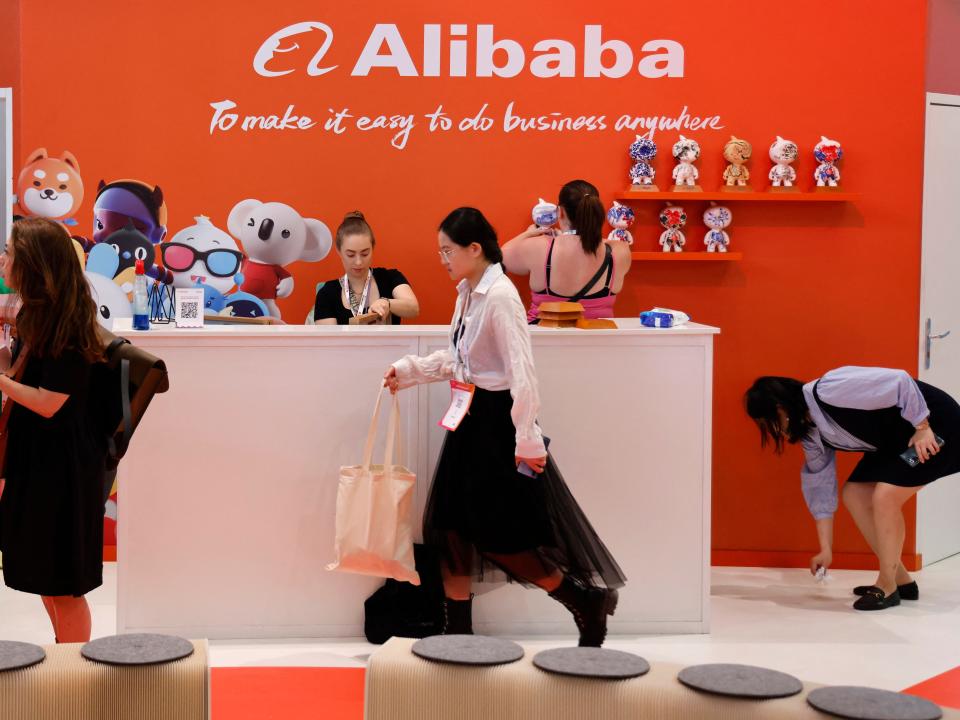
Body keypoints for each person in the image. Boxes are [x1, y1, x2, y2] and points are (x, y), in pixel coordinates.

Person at [383, 207, 625, 646]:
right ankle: (456, 634)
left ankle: (584, 599)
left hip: (497, 426)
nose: (443, 259)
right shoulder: (468, 290)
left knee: (500, 535)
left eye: (448, 250)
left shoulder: (500, 297)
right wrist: (410, 370)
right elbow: (462, 360)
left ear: (475, 249)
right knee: (451, 529)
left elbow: (521, 372)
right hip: (469, 423)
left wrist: (527, 439)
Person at [744, 367, 960, 611]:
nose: (774, 431)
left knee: (885, 496)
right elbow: (820, 484)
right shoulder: (810, 433)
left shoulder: (829, 390)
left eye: (767, 422)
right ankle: (901, 580)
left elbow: (899, 381)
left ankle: (886, 586)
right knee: (854, 493)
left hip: (937, 427)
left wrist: (922, 427)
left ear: (779, 408)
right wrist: (826, 549)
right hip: (897, 441)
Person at [0, 217, 108, 642]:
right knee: (49, 579)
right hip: (41, 461)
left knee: (64, 584)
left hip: (62, 469)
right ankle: (65, 663)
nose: (4, 259)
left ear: (33, 263)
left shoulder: (66, 326)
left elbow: (49, 403)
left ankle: (77, 674)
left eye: (10, 252)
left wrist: (3, 381)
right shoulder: (41, 313)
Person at [502, 180, 632, 323]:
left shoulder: (538, 247)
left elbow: (500, 255)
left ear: (561, 212)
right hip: (597, 342)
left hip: (542, 340)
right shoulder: (619, 251)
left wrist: (529, 233)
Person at [314, 211, 419, 325]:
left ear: (372, 248)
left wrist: (387, 303)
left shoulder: (390, 277)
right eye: (351, 255)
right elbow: (329, 340)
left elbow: (414, 308)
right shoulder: (327, 293)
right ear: (339, 251)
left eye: (365, 253)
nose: (358, 262)